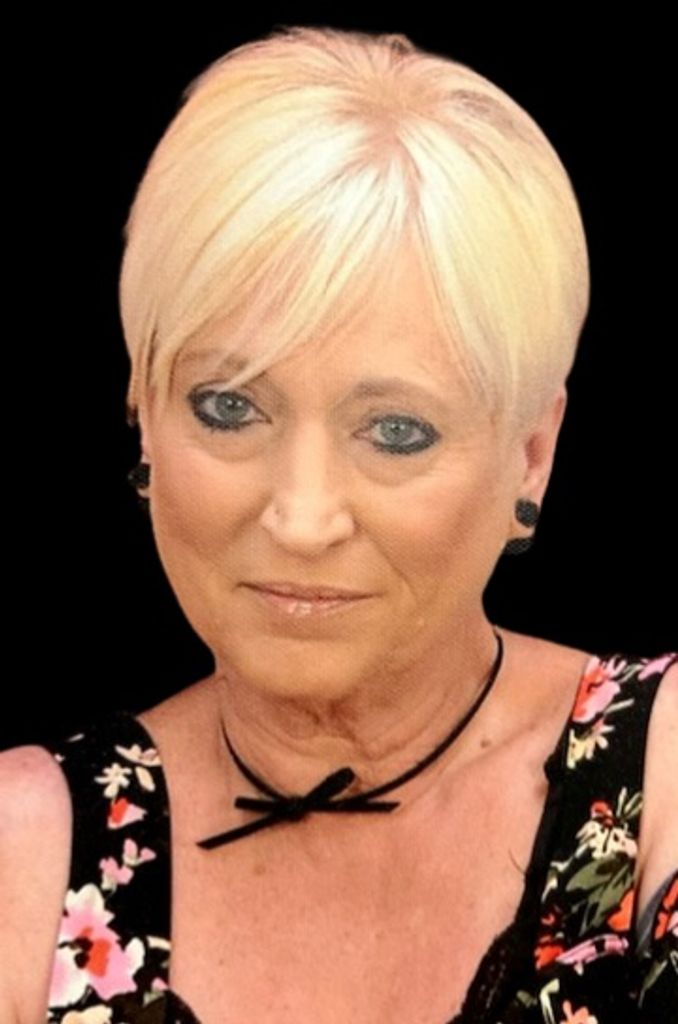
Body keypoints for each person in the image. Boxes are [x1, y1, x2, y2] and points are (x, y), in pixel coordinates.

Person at [1, 23, 675, 1024]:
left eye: (396, 430)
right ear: (143, 412)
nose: (302, 517)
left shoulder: (663, 776)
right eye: (230, 407)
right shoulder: (23, 855)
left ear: (531, 453)